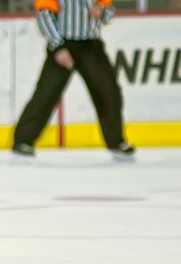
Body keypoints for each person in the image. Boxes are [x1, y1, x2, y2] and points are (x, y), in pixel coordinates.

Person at [12, 0, 136, 162]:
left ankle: (116, 142)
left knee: (108, 92)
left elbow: (108, 10)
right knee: (46, 94)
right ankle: (23, 140)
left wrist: (102, 12)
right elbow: (44, 15)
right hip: (64, 43)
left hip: (90, 45)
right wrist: (57, 46)